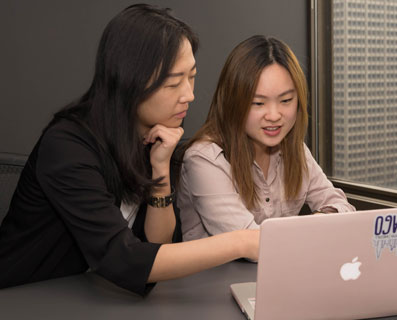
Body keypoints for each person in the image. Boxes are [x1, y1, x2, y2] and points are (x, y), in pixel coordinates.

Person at [0, 4, 258, 295]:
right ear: (130, 81)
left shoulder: (153, 135)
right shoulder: (67, 146)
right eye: (174, 83)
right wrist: (241, 241)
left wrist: (160, 168)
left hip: (90, 297)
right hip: (21, 297)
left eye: (192, 76)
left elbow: (157, 249)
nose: (189, 95)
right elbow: (124, 259)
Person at [178, 35, 354, 241]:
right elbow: (249, 240)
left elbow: (343, 207)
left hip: (280, 270)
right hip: (215, 273)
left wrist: (322, 217)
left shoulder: (294, 149)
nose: (274, 115)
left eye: (286, 100)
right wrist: (315, 226)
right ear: (233, 103)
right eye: (258, 103)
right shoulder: (204, 158)